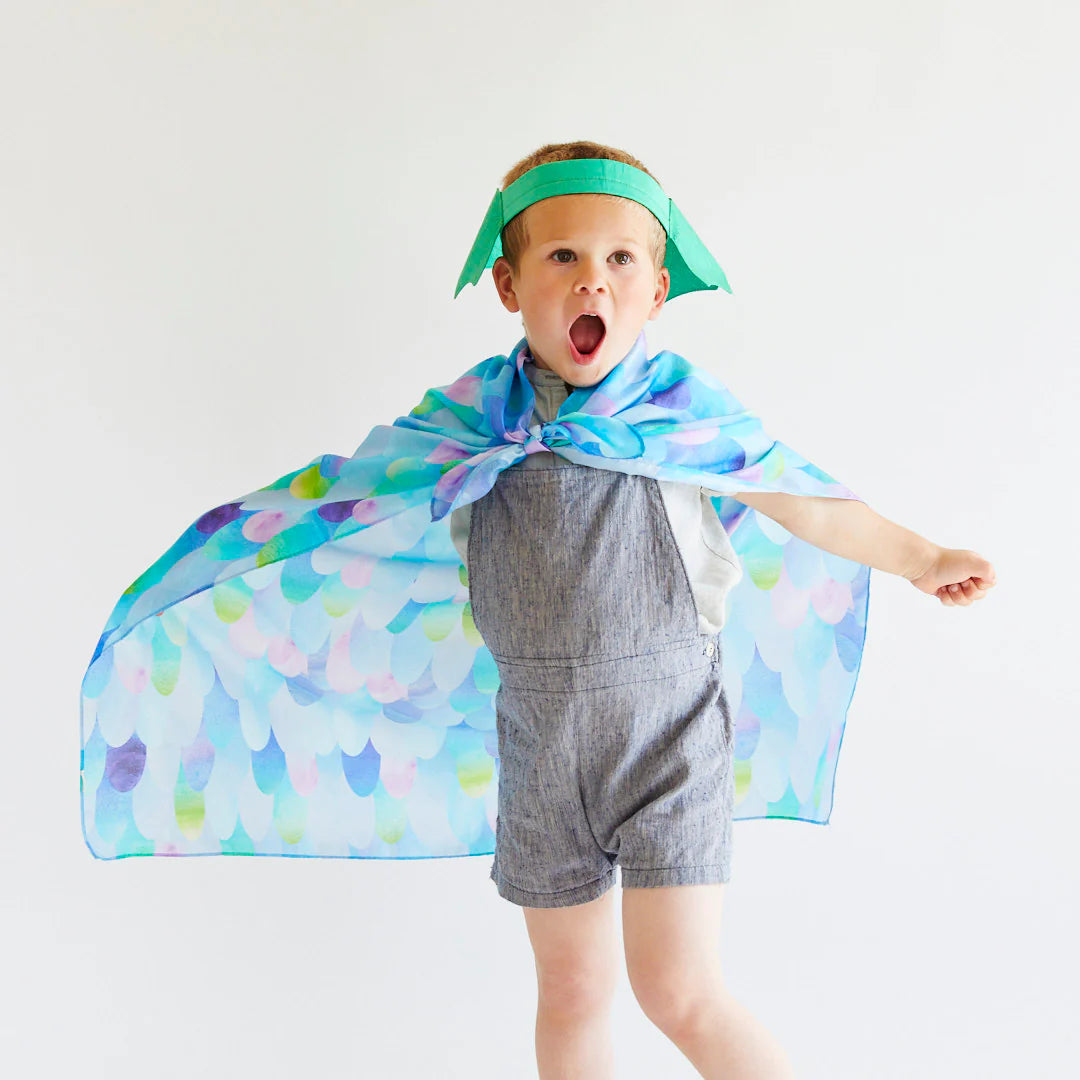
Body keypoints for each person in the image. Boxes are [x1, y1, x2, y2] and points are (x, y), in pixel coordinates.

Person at [453, 140, 995, 1080]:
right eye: (563, 257)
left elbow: (802, 496)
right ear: (508, 285)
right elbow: (356, 490)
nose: (594, 282)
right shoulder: (473, 424)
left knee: (678, 990)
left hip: (668, 738)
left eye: (621, 259)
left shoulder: (679, 413)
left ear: (658, 291)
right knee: (573, 992)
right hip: (540, 744)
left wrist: (922, 557)